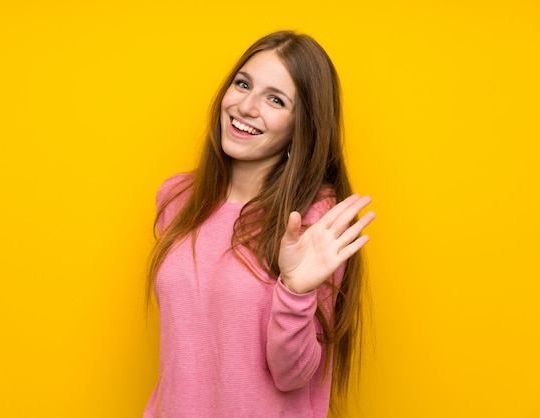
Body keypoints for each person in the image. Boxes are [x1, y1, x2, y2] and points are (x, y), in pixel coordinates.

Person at [144, 30, 375, 417]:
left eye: (275, 99)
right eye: (243, 83)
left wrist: (297, 292)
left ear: (302, 126)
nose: (246, 106)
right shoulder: (178, 199)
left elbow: (293, 376)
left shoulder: (316, 218)